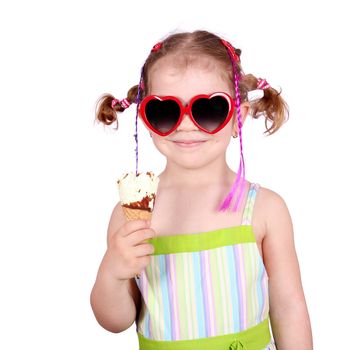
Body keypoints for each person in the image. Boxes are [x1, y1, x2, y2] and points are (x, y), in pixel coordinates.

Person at [90, 30, 313, 349]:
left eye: (209, 110)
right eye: (165, 111)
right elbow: (115, 321)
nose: (186, 124)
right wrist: (113, 272)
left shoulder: (265, 209)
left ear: (239, 116)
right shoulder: (134, 215)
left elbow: (289, 308)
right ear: (145, 117)